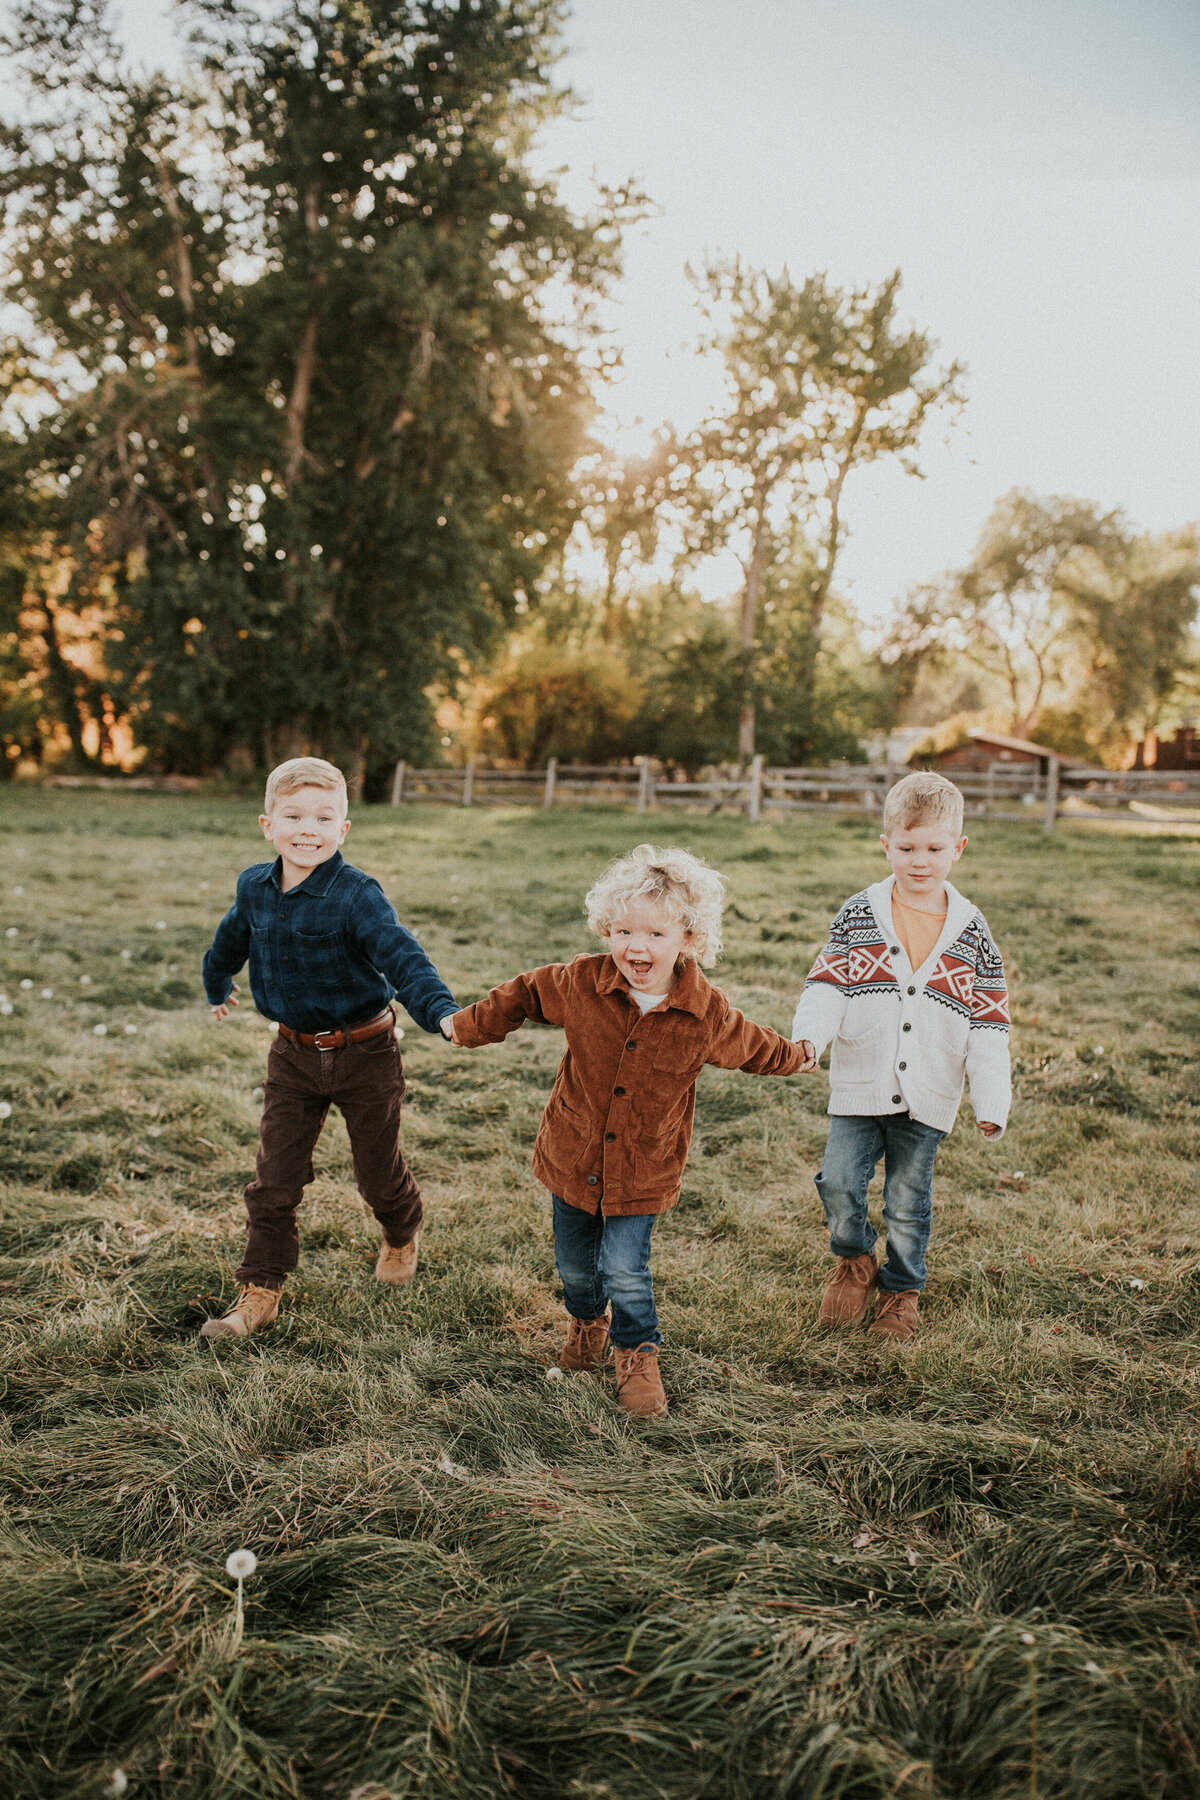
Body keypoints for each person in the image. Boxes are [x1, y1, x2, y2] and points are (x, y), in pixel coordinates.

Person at [444, 844, 809, 1418]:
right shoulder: (581, 982)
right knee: (574, 1266)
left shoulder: (705, 1013)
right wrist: (468, 1025)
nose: (635, 947)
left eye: (655, 935)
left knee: (624, 1267)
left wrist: (797, 1056)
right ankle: (587, 1324)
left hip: (642, 1169)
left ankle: (637, 1353)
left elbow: (754, 1045)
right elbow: (523, 994)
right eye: (621, 931)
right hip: (573, 1153)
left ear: (688, 940)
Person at [198, 757, 458, 1339]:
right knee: (274, 1178)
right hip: (291, 1055)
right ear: (268, 825)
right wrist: (218, 984)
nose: (307, 828)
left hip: (365, 1054)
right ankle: (260, 1290)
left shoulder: (358, 895)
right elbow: (229, 938)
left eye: (323, 816)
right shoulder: (254, 886)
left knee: (377, 1175)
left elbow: (403, 957)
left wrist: (439, 1010)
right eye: (293, 815)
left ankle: (401, 1231)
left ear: (343, 828)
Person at [792, 771, 1011, 1342]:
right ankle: (854, 1257)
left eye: (935, 849)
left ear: (957, 849)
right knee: (839, 1181)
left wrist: (991, 1099)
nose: (920, 861)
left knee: (907, 1201)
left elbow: (989, 1022)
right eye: (907, 847)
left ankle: (902, 1289)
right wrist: (811, 1039)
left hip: (929, 1090)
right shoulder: (859, 913)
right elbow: (828, 985)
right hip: (861, 1078)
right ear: (886, 843)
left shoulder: (972, 933)